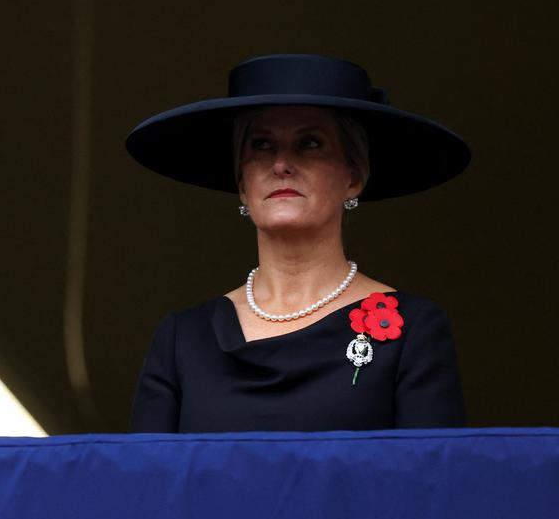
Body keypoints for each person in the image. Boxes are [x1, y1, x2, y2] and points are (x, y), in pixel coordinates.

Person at [125, 54, 468, 432]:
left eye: (309, 143)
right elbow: (146, 485)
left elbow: (431, 483)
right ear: (242, 184)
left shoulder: (413, 330)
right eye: (261, 145)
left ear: (353, 177)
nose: (282, 164)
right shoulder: (181, 340)